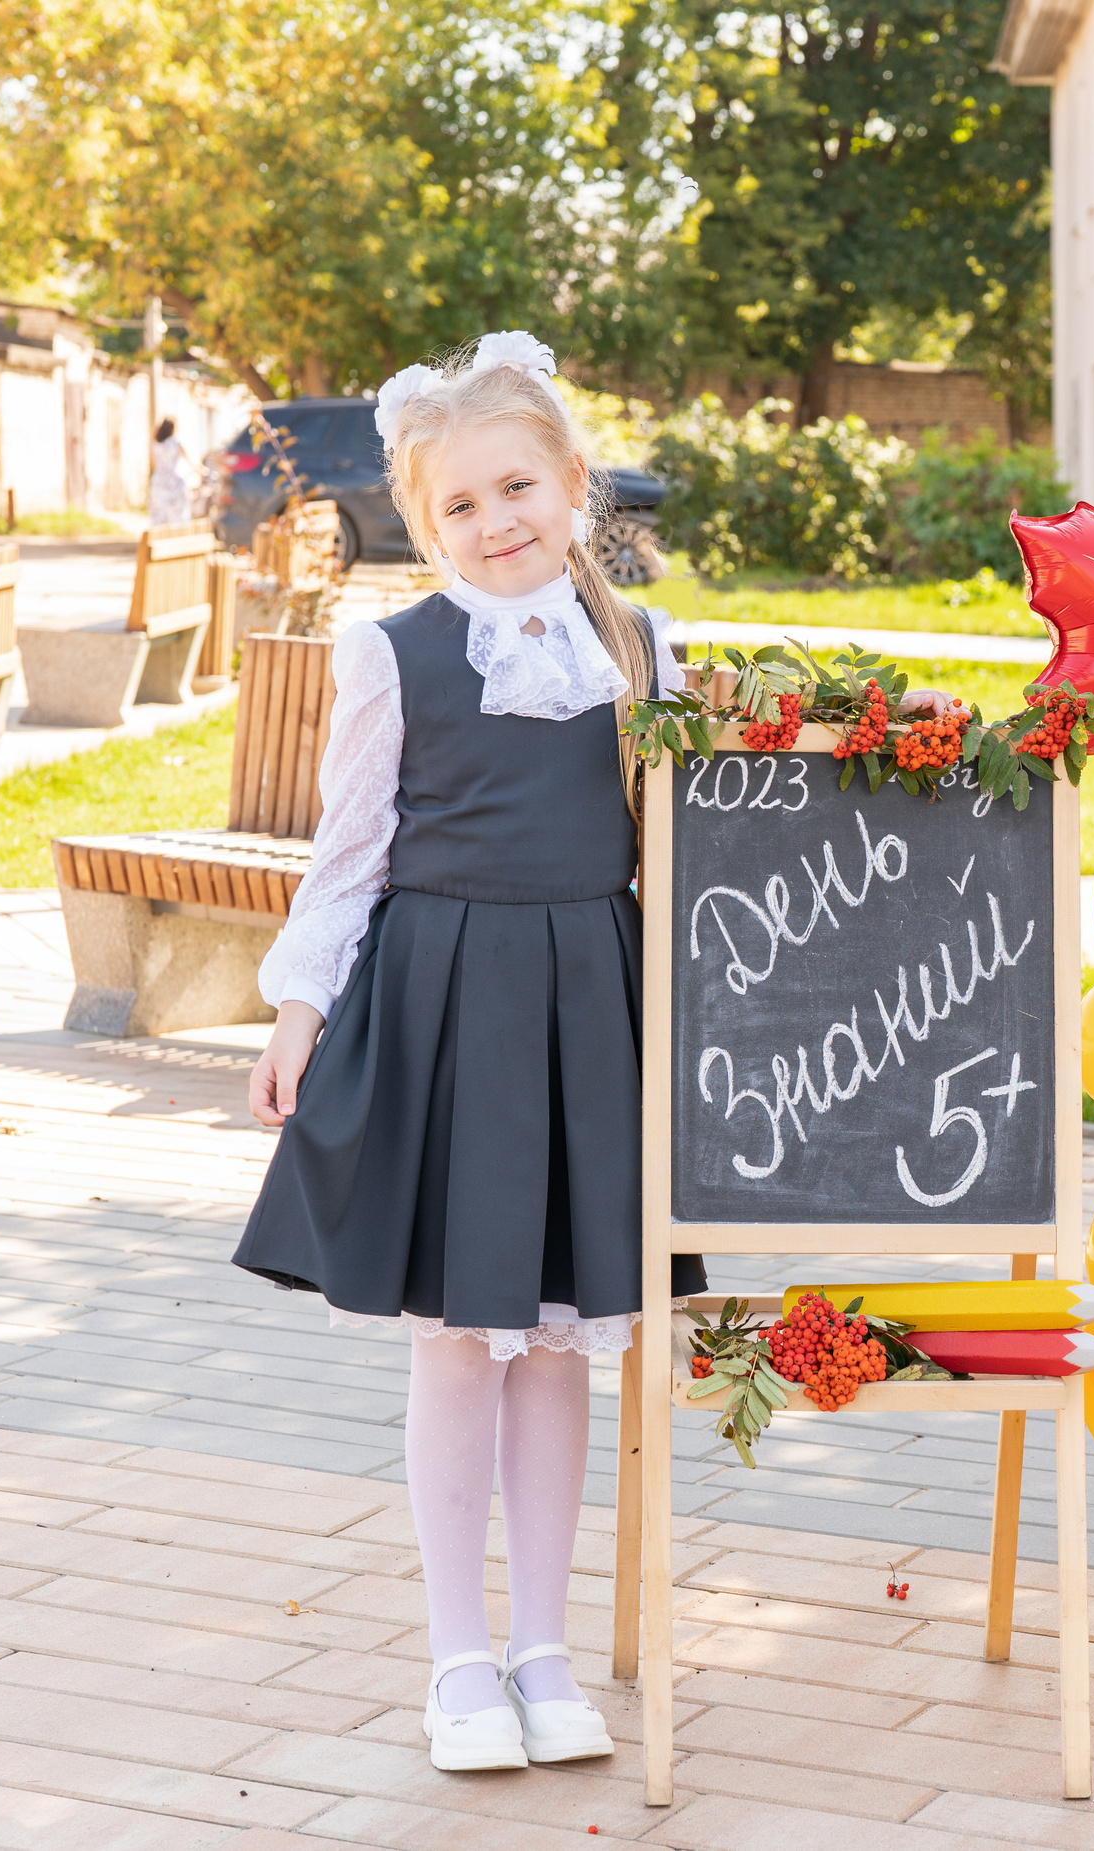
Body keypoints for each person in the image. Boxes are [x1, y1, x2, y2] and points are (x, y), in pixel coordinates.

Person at [231, 331, 696, 1774]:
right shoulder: (393, 651)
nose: (496, 524)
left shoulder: (644, 650)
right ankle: (456, 1657)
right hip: (442, 1011)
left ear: (573, 482)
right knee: (456, 1345)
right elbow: (349, 854)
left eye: (518, 488)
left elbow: (680, 854)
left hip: (585, 1015)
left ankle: (546, 1650)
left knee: (557, 1349)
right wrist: (299, 1008)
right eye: (460, 508)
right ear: (423, 524)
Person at [148, 417, 190, 524]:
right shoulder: (176, 443)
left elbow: (154, 464)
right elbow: (188, 461)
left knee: (159, 513)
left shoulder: (156, 444)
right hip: (173, 481)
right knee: (176, 513)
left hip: (158, 480)